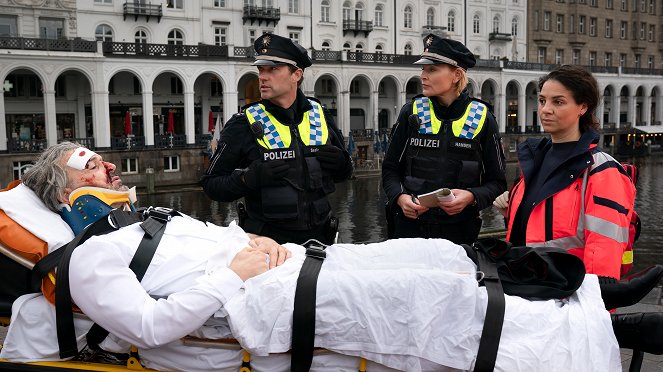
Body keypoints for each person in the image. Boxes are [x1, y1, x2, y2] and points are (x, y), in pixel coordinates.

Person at [2, 143, 663, 372]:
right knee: (432, 300)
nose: (109, 165)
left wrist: (256, 250)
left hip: (292, 263)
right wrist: (232, 270)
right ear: (63, 189)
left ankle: (596, 297)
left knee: (438, 258)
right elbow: (148, 329)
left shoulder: (147, 219)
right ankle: (612, 332)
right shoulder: (87, 260)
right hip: (265, 299)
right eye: (90, 163)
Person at [202, 33, 352, 246]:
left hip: (319, 242)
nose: (262, 77)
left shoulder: (320, 115)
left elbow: (345, 173)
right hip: (268, 247)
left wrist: (343, 164)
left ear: (296, 74)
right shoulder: (243, 123)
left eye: (272, 69)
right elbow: (211, 185)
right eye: (260, 69)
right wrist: (249, 178)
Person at [494, 65, 637, 280]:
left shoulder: (601, 170)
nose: (545, 109)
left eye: (558, 102)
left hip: (565, 292)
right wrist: (513, 207)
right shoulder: (535, 159)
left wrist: (592, 303)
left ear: (582, 107)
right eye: (542, 100)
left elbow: (604, 248)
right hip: (526, 284)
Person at [382, 34, 506, 244]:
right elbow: (390, 169)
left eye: (432, 69)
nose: (423, 75)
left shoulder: (482, 118)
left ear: (456, 75)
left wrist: (471, 197)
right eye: (423, 69)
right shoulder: (411, 112)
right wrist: (400, 198)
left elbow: (497, 183)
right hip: (410, 229)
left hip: (458, 233)